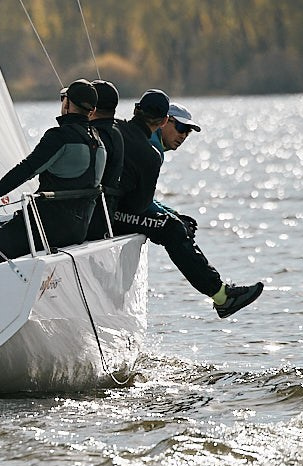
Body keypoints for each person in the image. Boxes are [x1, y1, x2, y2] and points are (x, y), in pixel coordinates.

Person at [0, 79, 107, 329]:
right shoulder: (99, 142)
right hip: (78, 229)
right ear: (91, 110)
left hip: (45, 225)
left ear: (66, 104)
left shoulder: (59, 138)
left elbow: (25, 171)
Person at [112, 89, 263, 319]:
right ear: (164, 121)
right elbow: (140, 203)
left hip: (118, 207)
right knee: (173, 229)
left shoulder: (148, 142)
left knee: (176, 224)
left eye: (188, 132)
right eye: (181, 128)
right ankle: (222, 296)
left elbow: (142, 198)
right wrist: (172, 219)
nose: (183, 135)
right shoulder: (150, 148)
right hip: (113, 213)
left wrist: (172, 213)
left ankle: (221, 293)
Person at [88, 79, 125, 226]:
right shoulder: (116, 132)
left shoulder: (96, 135)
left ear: (92, 107)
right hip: (106, 212)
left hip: (93, 217)